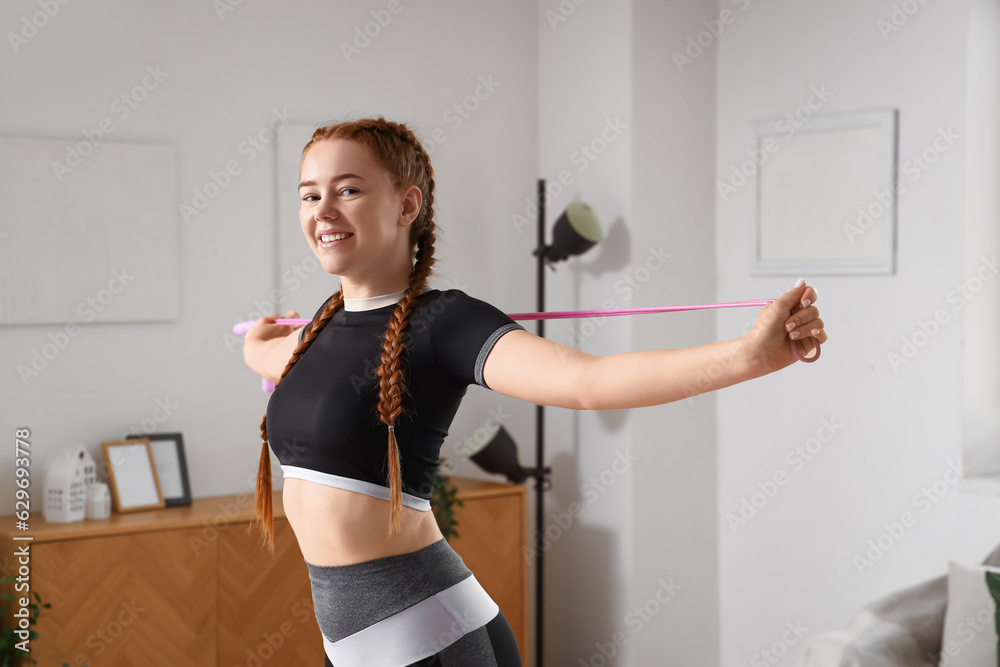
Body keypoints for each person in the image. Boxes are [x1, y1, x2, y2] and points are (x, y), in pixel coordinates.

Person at [242, 116, 826, 667]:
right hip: (352, 645)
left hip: (431, 640)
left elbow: (586, 382)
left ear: (407, 204)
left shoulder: (445, 324)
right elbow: (273, 356)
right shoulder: (322, 323)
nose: (323, 210)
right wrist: (254, 345)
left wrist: (748, 357)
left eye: (347, 190)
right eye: (309, 194)